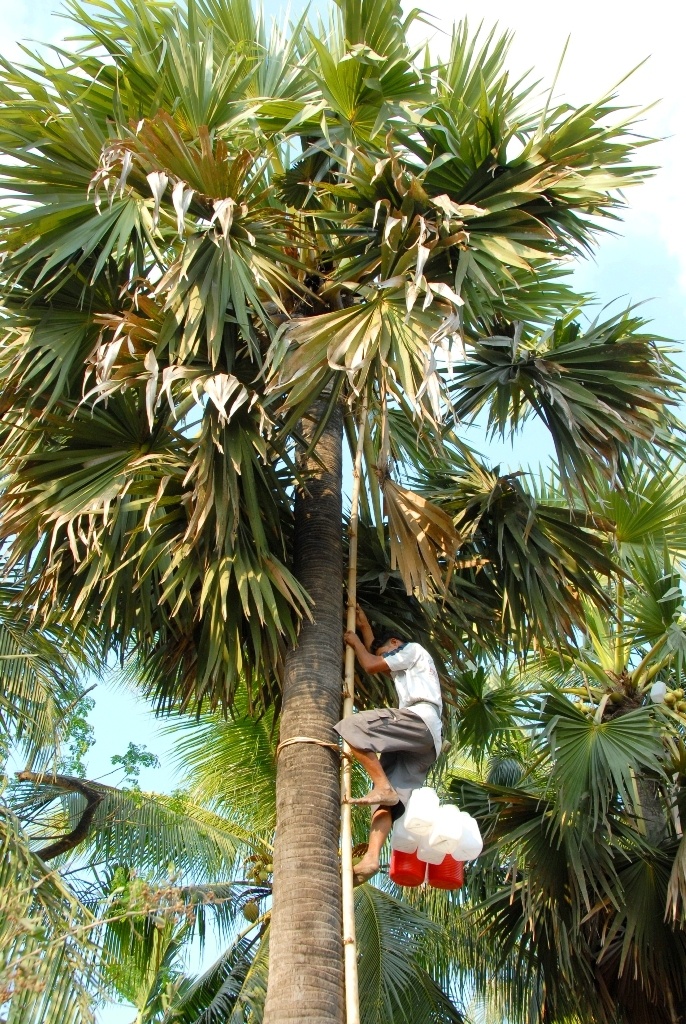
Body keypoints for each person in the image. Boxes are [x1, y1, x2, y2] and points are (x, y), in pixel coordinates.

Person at [335, 606, 442, 885]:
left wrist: (356, 641)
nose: (386, 665)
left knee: (353, 727)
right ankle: (371, 859)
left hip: (419, 719)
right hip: (426, 742)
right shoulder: (405, 663)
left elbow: (371, 663)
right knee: (387, 801)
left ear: (395, 643)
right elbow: (376, 653)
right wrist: (365, 626)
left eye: (386, 653)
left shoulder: (412, 649)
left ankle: (382, 786)